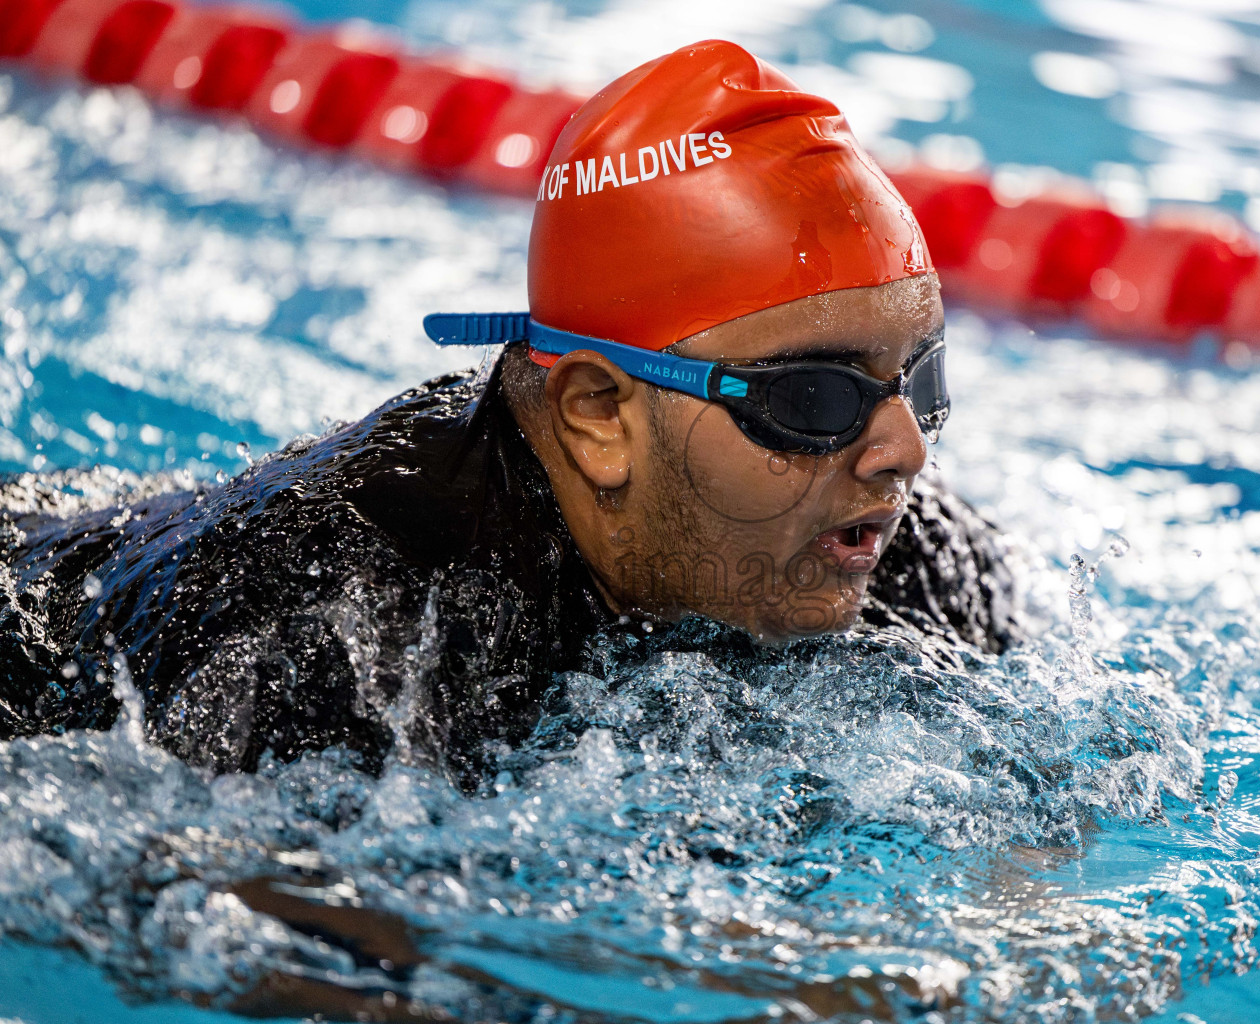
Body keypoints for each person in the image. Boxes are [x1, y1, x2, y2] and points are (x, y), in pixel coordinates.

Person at [0, 40, 1029, 787]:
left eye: (917, 377)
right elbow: (252, 947)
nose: (900, 452)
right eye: (814, 399)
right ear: (598, 416)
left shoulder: (894, 546)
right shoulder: (358, 630)